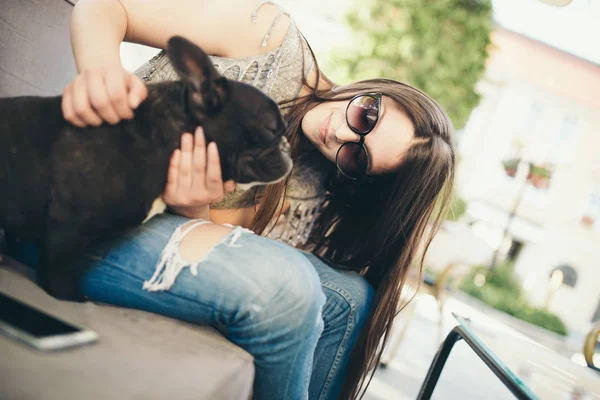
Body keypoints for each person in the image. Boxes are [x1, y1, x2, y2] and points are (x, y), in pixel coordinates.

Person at [11, 0, 456, 398]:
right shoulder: (267, 37)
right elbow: (108, 6)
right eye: (367, 114)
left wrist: (192, 206)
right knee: (293, 289)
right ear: (381, 88)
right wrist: (99, 70)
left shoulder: (307, 177)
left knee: (350, 296)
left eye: (357, 157)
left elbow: (218, 239)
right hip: (70, 197)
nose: (341, 133)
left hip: (145, 223)